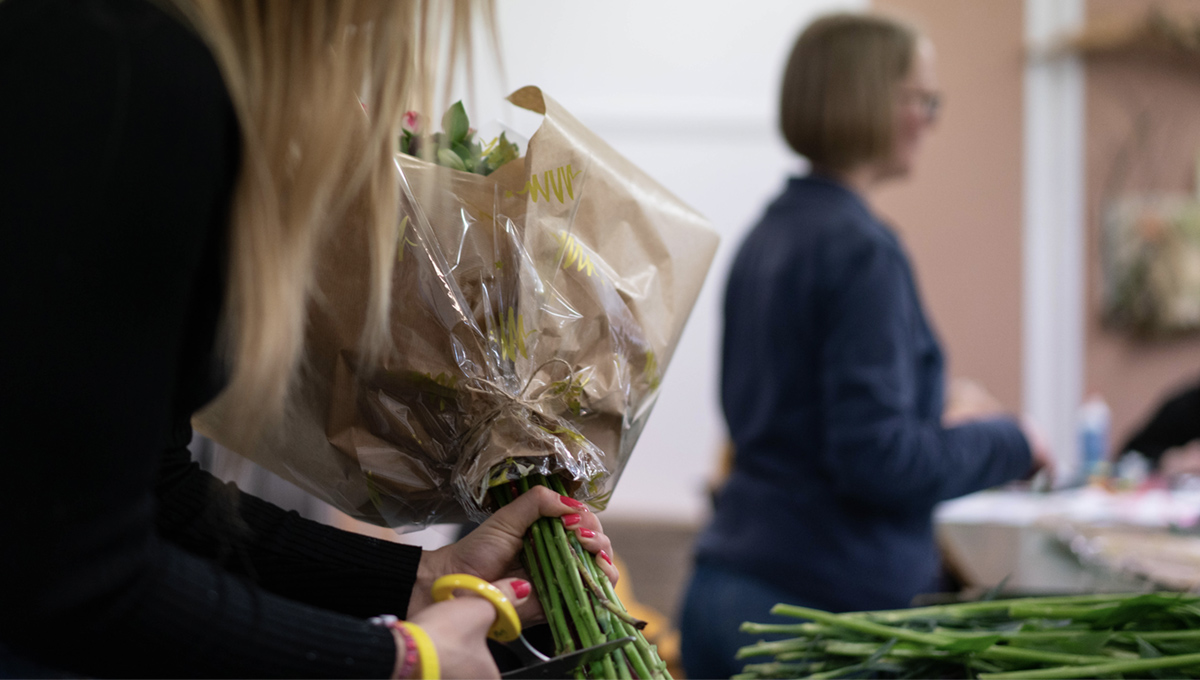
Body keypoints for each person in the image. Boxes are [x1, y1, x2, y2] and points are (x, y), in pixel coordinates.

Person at [0, 0, 618, 678]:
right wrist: (399, 659)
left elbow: (153, 489)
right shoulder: (124, 61)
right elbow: (65, 576)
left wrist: (420, 576)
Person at [678, 13, 1051, 679]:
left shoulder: (765, 237)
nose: (931, 121)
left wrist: (933, 417)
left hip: (724, 591)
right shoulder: (863, 252)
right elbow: (876, 460)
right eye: (923, 100)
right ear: (874, 103)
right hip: (813, 616)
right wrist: (1012, 440)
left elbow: (799, 424)